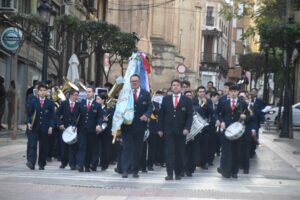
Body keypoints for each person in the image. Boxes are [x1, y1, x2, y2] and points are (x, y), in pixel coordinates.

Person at [158, 79, 193, 180]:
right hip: (168, 130)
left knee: (179, 153)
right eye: (173, 85)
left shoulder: (186, 100)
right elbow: (161, 115)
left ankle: (178, 173)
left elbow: (189, 116)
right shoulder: (166, 99)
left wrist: (187, 128)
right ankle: (169, 173)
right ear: (171, 87)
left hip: (181, 131)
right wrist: (160, 129)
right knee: (169, 153)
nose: (175, 87)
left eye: (177, 85)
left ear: (181, 87)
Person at [120, 74, 152, 178]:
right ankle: (125, 170)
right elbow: (119, 107)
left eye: (136, 81)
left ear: (139, 82)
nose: (134, 82)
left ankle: (135, 170)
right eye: (132, 81)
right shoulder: (125, 93)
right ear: (130, 82)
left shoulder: (146, 94)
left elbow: (150, 107)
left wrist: (146, 115)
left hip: (140, 126)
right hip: (127, 126)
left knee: (138, 149)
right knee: (127, 148)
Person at [217, 85, 247, 178]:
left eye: (235, 91)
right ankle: (226, 171)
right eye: (231, 91)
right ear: (229, 92)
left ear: (238, 92)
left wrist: (245, 117)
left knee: (236, 151)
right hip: (226, 130)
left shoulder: (243, 103)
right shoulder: (223, 103)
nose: (233, 93)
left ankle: (234, 171)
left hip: (237, 131)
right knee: (226, 151)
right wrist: (220, 121)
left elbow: (250, 114)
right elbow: (217, 113)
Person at [26, 82, 55, 170]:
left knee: (43, 146)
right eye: (41, 90)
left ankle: (42, 163)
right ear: (38, 92)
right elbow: (29, 114)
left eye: (44, 90)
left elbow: (52, 116)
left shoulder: (50, 103)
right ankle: (31, 162)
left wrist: (50, 126)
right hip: (34, 127)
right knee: (32, 145)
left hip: (45, 128)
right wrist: (28, 123)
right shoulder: (33, 102)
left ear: (46, 92)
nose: (42, 92)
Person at [76, 87, 103, 172]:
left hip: (92, 130)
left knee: (89, 148)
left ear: (93, 93)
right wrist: (73, 126)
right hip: (82, 129)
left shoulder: (97, 105)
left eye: (89, 92)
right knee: (81, 147)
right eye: (86, 92)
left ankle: (87, 166)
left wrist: (99, 125)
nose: (88, 93)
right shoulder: (81, 103)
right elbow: (75, 116)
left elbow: (100, 117)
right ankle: (80, 165)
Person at [56, 89, 80, 170]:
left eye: (77, 95)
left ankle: (72, 164)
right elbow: (57, 115)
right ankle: (63, 163)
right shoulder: (64, 104)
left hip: (74, 129)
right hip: (64, 129)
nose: (77, 97)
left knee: (73, 147)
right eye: (75, 95)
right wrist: (60, 124)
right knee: (64, 148)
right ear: (71, 95)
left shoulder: (79, 105)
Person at [192, 86, 213, 170]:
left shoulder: (209, 101)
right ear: (197, 92)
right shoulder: (193, 100)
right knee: (196, 144)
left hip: (205, 125)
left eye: (203, 92)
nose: (202, 93)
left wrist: (206, 104)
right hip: (196, 125)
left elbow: (212, 111)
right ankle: (195, 161)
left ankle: (204, 162)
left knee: (205, 145)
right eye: (200, 91)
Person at [95, 93, 114, 171]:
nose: (96, 100)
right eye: (96, 99)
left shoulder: (108, 108)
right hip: (96, 130)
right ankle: (95, 162)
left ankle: (104, 164)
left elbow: (112, 118)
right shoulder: (95, 107)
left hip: (106, 131)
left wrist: (108, 119)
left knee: (105, 148)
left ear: (103, 100)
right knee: (96, 148)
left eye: (98, 99)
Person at [249, 88, 266, 158]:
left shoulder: (260, 101)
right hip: (248, 120)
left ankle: (253, 149)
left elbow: (264, 109)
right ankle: (249, 150)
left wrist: (261, 114)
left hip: (255, 121)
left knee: (254, 136)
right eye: (252, 92)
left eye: (254, 92)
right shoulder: (248, 100)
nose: (253, 93)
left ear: (256, 93)